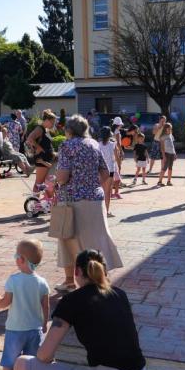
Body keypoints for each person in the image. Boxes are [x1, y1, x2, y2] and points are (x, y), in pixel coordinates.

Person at [16, 250, 153, 370]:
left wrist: (51, 365)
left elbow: (43, 355)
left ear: (77, 272)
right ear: (104, 271)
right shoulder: (120, 294)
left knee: (22, 365)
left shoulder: (72, 300)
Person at [55, 116, 122, 293]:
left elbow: (62, 176)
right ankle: (101, 277)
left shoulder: (66, 146)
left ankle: (70, 281)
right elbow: (106, 172)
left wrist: (53, 183)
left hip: (72, 199)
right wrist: (91, 184)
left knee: (67, 239)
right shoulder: (93, 144)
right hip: (95, 199)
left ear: (69, 130)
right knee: (97, 238)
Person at [0, 238, 50, 370]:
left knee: (9, 360)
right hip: (35, 329)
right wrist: (44, 323)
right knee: (31, 362)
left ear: (21, 259)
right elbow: (46, 306)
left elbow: (6, 301)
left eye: (15, 255)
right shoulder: (42, 283)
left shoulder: (13, 280)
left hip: (15, 329)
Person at [26, 110, 58, 194]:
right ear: (47, 120)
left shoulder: (44, 129)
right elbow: (29, 139)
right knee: (39, 182)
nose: (53, 124)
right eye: (52, 122)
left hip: (45, 159)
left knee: (42, 183)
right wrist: (38, 148)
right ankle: (34, 203)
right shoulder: (39, 128)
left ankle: (38, 203)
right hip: (41, 159)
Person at [98, 126, 121, 211]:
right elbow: (117, 157)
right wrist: (119, 166)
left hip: (100, 170)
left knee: (101, 191)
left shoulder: (98, 145)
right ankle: (106, 211)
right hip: (110, 170)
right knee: (108, 191)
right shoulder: (113, 144)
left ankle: (100, 211)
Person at [4, 112, 33, 176]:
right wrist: (16, 132)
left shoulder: (8, 123)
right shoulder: (18, 123)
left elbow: (3, 128)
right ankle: (24, 167)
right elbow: (21, 131)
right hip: (16, 139)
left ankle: (20, 165)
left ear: (11, 117)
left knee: (13, 152)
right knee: (16, 152)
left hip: (10, 139)